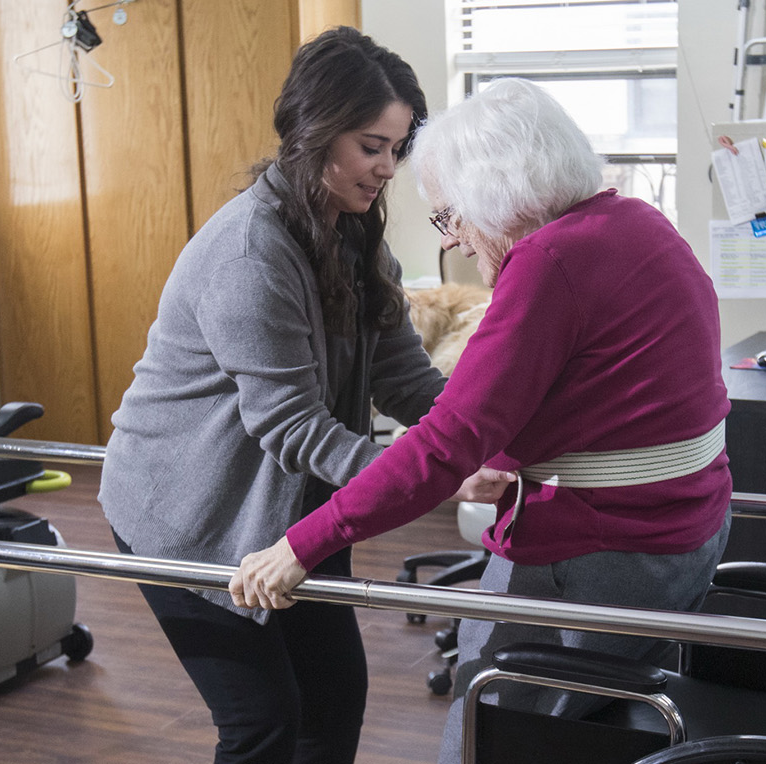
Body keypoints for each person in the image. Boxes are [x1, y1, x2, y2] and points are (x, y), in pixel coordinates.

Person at [233, 78, 732, 764]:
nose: (458, 241)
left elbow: (443, 443)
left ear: (500, 192)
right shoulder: (638, 223)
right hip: (684, 535)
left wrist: (301, 544)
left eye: (452, 217)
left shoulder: (549, 262)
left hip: (603, 552)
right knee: (586, 726)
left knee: (482, 735)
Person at [99, 27, 512, 764]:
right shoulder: (250, 252)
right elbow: (295, 428)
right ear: (315, 132)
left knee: (333, 699)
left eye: (396, 147)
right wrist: (437, 472)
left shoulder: (355, 237)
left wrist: (487, 439)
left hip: (292, 506)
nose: (387, 166)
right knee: (261, 720)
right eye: (370, 145)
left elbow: (404, 378)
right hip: (190, 513)